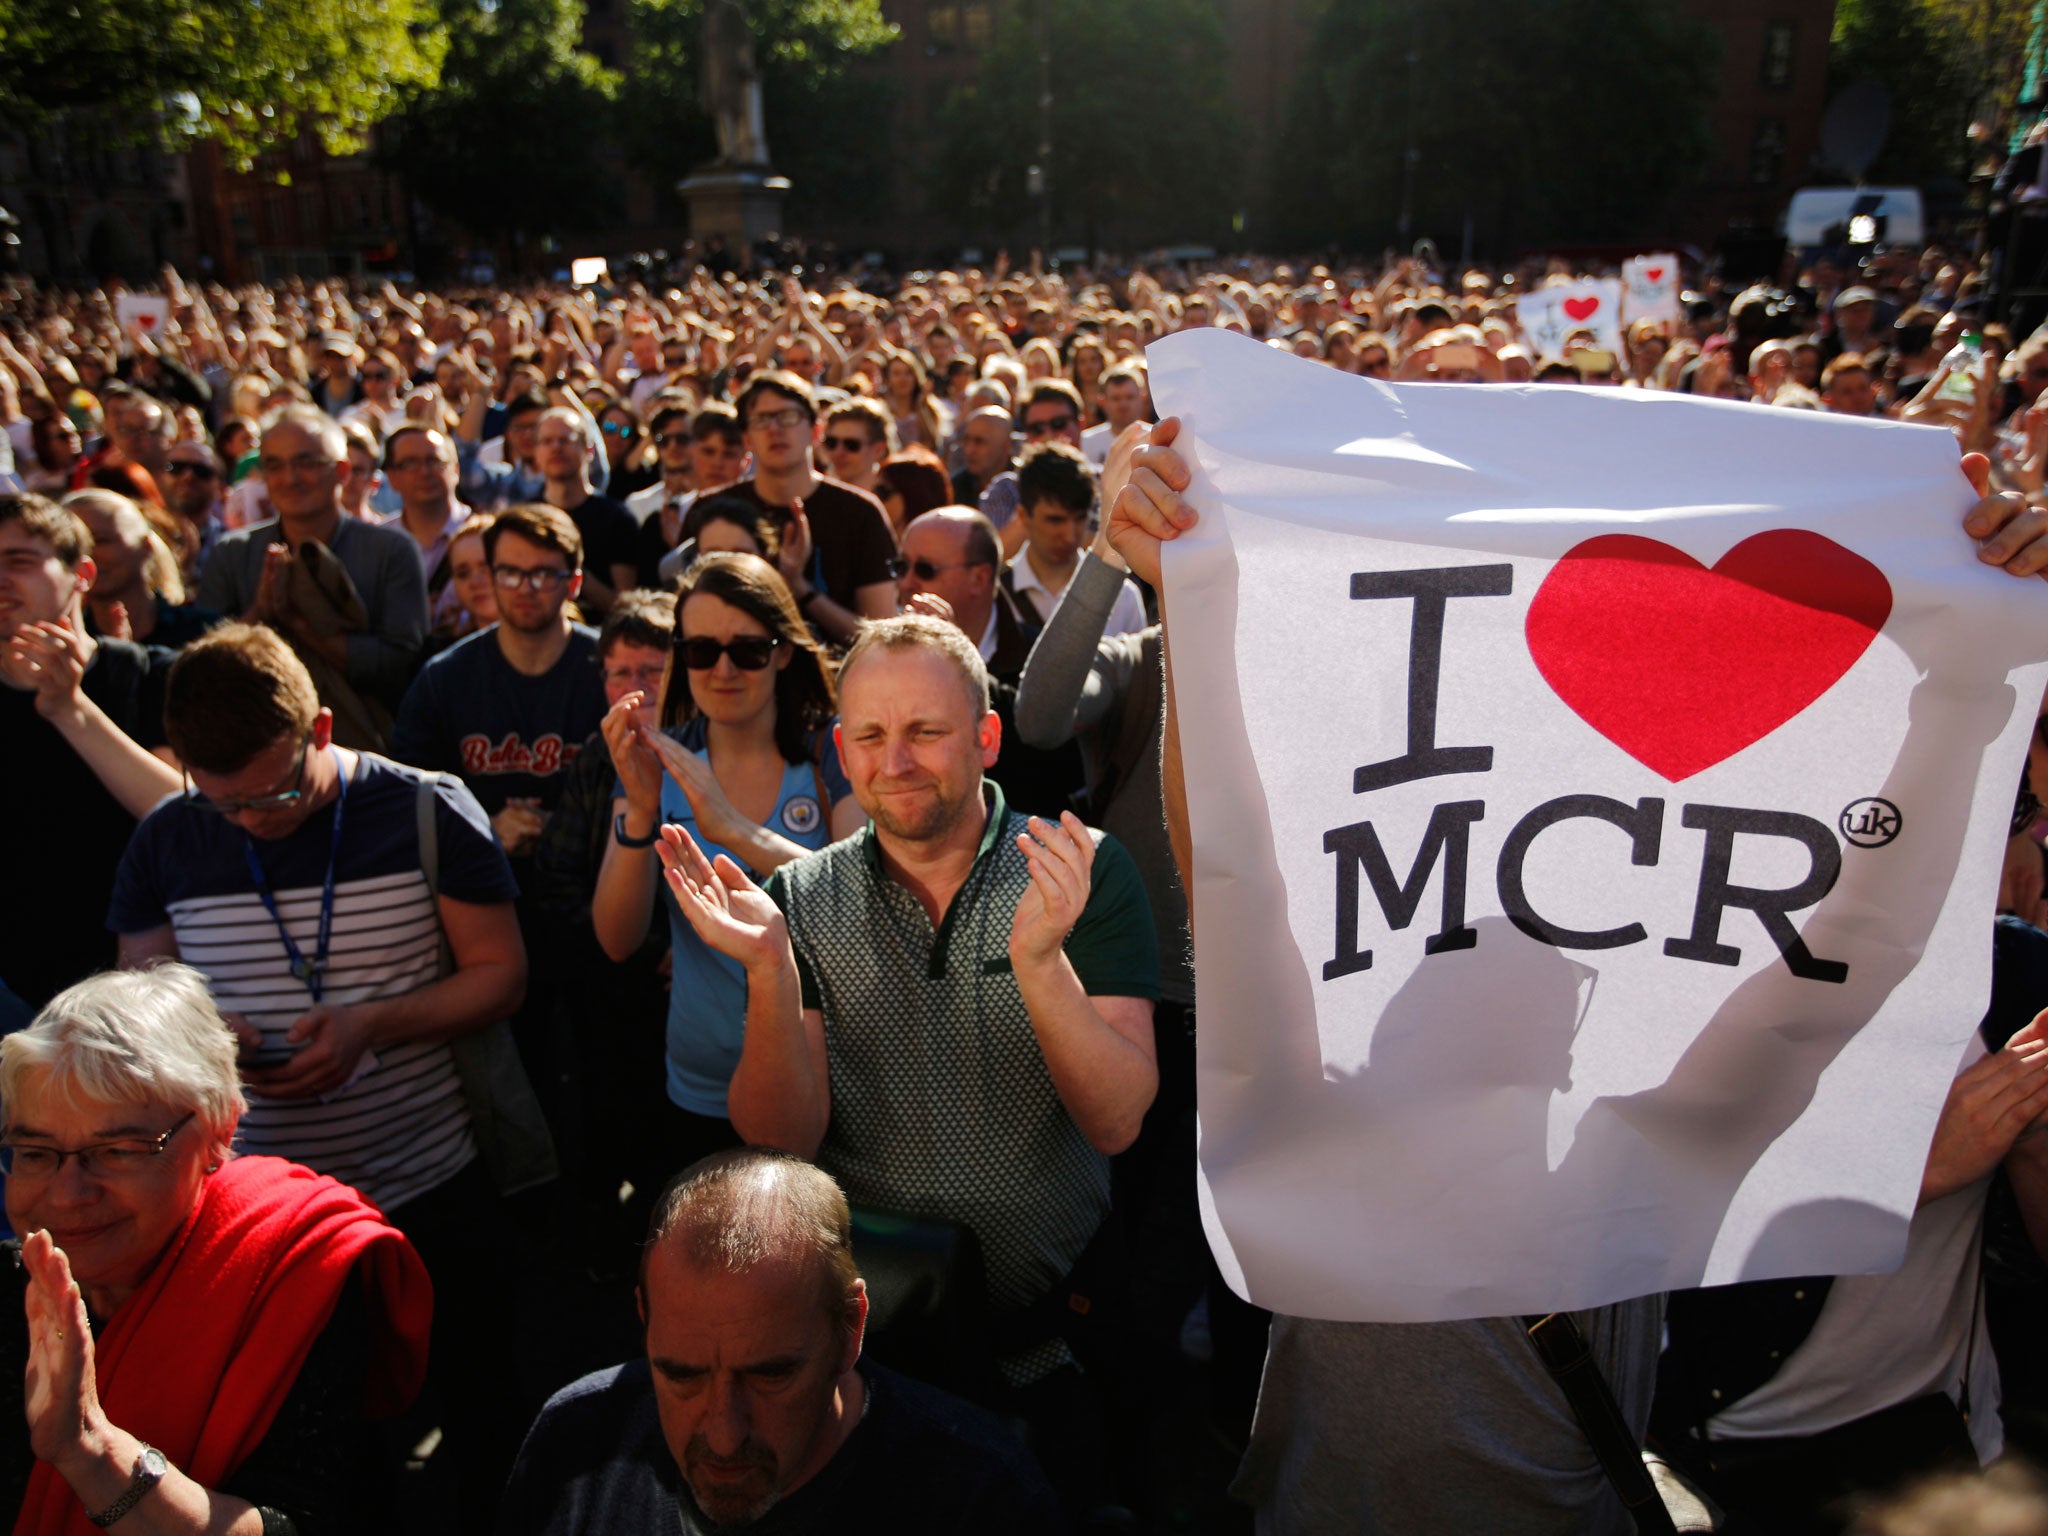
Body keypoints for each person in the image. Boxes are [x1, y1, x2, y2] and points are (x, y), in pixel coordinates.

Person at [1099, 417, 2048, 1535]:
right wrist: (1188, 603)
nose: (1527, 1006)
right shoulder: (1331, 1116)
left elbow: (1838, 929)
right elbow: (1235, 867)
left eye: (1559, 985)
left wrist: (1972, 664)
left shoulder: (1634, 1144)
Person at [654, 615, 1158, 1497]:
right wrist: (771, 970)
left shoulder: (1078, 870)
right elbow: (781, 1142)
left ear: (986, 738)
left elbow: (1116, 1121)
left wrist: (1039, 961)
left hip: (1055, 1340)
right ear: (843, 752)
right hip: (876, 1349)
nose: (897, 762)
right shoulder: (798, 900)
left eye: (926, 731)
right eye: (874, 737)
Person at [107, 622, 532, 1527]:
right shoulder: (166, 840)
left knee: (486, 1431)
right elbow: (144, 1010)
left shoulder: (424, 807)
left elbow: (502, 975)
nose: (253, 820)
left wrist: (370, 1024)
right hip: (269, 1223)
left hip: (430, 1189)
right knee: (331, 1468)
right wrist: (207, 1039)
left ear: (325, 728)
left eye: (278, 791)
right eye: (223, 803)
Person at [3, 964, 433, 1534]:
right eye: (35, 1152)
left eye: (119, 1151)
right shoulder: (14, 1286)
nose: (67, 1193)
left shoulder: (292, 1269)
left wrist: (91, 1450)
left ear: (218, 1133)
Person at [497, 1148, 1060, 1533]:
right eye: (681, 1374)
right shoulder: (574, 1447)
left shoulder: (982, 1502)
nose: (723, 1437)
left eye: (770, 1375)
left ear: (849, 1328)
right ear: (644, 1317)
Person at [593, 553, 861, 1173]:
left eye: (748, 650)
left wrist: (735, 831)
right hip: (699, 1086)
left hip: (823, 1077)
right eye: (699, 650)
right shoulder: (657, 758)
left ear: (785, 651)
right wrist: (638, 807)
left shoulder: (829, 747)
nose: (721, 669)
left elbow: (863, 900)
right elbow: (615, 938)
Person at [0, 494, 171, 1010]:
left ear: (83, 574)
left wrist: (71, 710)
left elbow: (179, 814)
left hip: (132, 989)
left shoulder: (150, 675)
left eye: (20, 562)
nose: (1, 579)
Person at [393, 501, 606, 874]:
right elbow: (409, 802)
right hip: (478, 879)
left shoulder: (612, 672)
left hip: (593, 882)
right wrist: (486, 828)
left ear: (573, 583)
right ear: (491, 577)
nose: (525, 589)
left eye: (542, 575)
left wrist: (561, 829)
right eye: (509, 573)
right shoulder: (444, 679)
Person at [195, 405, 429, 743]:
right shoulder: (233, 554)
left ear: (342, 472)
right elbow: (204, 666)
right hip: (252, 740)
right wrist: (260, 613)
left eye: (306, 463)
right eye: (274, 465)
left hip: (365, 744)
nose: (290, 479)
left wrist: (304, 628)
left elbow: (401, 664)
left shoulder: (390, 551)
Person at [685, 371, 897, 644]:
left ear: (815, 431)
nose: (775, 429)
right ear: (747, 439)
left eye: (788, 417)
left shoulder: (861, 513)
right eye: (762, 420)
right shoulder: (713, 510)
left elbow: (881, 636)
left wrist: (800, 588)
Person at [1004, 443, 1146, 639]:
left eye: (1080, 518)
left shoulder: (1122, 597)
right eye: (1055, 520)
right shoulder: (995, 596)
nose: (1070, 536)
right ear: (1023, 516)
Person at [534, 406, 638, 618]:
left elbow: (626, 609)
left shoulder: (617, 519)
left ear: (589, 450)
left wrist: (571, 569)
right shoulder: (526, 519)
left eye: (565, 440)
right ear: (536, 453)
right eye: (547, 441)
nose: (556, 448)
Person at [381, 424, 475, 632]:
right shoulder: (377, 542)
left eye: (434, 461)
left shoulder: (484, 535)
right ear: (392, 478)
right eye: (409, 464)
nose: (424, 472)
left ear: (456, 470)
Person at [980, 381, 1086, 556]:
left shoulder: (1106, 482)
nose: (1048, 435)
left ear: (1080, 425)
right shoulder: (1006, 489)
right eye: (1036, 428)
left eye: (1058, 424)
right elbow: (994, 557)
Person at [818, 398, 895, 497]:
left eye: (851, 445)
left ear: (878, 450)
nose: (838, 452)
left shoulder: (893, 503)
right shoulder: (819, 496)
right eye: (831, 443)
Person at [951, 406, 1015, 509]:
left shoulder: (1024, 487)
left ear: (1006, 446)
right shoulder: (956, 487)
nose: (969, 450)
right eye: (966, 440)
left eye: (979, 442)